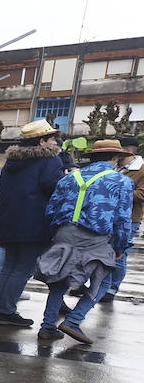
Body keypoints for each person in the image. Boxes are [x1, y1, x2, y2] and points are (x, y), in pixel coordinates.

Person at [33, 138, 134, 345]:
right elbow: (123, 219)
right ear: (115, 158)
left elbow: (50, 210)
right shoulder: (122, 182)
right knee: (104, 281)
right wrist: (120, 247)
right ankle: (74, 320)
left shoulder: (69, 178)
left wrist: (58, 235)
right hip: (95, 238)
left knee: (59, 281)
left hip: (64, 234)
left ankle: (47, 327)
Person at [0, 120, 64, 328]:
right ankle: (7, 311)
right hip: (35, 224)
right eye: (52, 139)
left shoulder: (12, 162)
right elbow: (54, 188)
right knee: (23, 268)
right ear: (41, 142)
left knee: (9, 266)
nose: (56, 142)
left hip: (9, 222)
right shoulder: (50, 161)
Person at [99, 134, 143, 303]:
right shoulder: (113, 167)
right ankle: (100, 285)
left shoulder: (141, 169)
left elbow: (142, 194)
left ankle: (112, 288)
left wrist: (116, 191)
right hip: (109, 216)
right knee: (104, 252)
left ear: (128, 150)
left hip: (130, 218)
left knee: (120, 253)